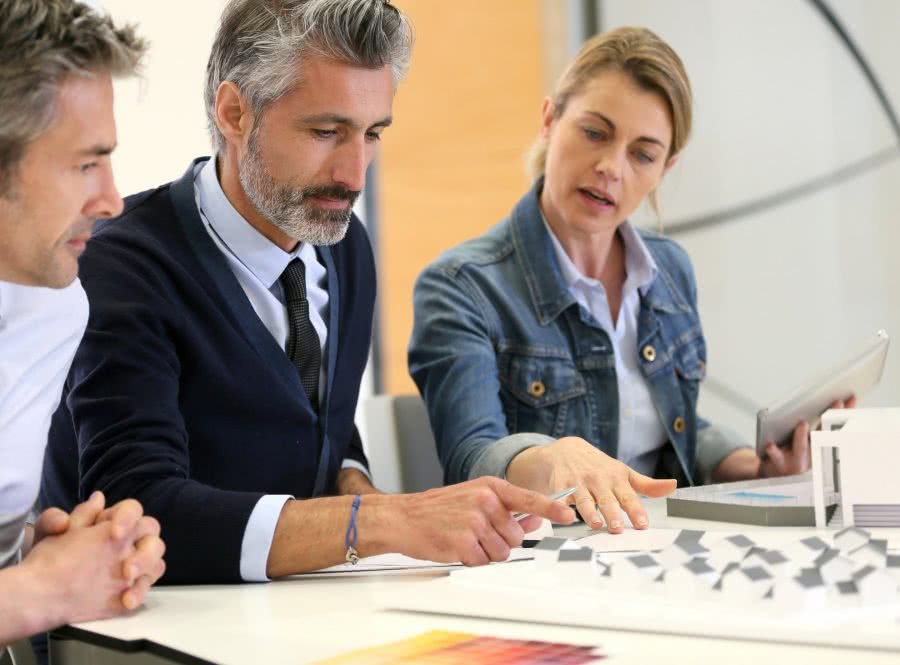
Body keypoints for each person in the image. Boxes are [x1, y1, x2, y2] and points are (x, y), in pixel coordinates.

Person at [41, 0, 575, 585]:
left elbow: (322, 430)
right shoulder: (123, 265)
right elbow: (140, 509)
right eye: (326, 131)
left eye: (372, 134)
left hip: (299, 610)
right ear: (234, 112)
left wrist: (365, 493)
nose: (354, 173)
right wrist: (385, 520)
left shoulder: (345, 246)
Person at [408, 26, 854, 534]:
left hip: (654, 542)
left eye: (642, 154)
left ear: (665, 168)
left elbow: (668, 432)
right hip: (544, 557)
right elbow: (470, 456)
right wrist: (552, 458)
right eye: (595, 132)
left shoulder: (670, 271)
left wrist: (752, 468)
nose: (609, 167)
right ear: (550, 120)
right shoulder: (461, 287)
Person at [0, 0, 165, 649]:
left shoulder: (55, 304)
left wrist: (70, 554)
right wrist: (43, 590)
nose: (113, 200)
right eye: (85, 163)